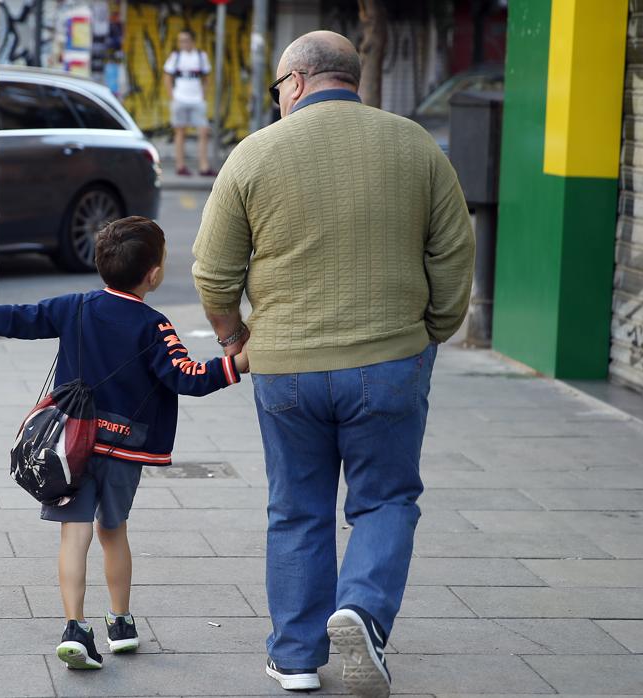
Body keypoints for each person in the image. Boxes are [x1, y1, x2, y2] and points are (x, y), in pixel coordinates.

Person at [191, 31, 474, 697]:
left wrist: (235, 338)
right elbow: (453, 257)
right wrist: (430, 330)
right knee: (384, 500)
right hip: (389, 357)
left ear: (294, 82)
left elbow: (212, 271)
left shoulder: (255, 153)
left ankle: (294, 657)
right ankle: (362, 614)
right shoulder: (415, 147)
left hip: (285, 366)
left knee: (295, 507)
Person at [0, 216, 248, 670]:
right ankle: (120, 623)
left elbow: (17, 318)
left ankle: (75, 628)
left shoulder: (75, 307)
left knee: (74, 535)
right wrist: (239, 363)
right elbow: (186, 378)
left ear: (101, 264)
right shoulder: (155, 326)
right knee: (113, 532)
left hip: (70, 449)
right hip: (126, 449)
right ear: (154, 274)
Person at [163, 30, 214, 177]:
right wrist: (173, 97)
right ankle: (180, 166)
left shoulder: (200, 56)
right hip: (180, 99)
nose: (182, 43)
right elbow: (167, 77)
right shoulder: (175, 57)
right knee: (180, 132)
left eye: (185, 40)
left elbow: (206, 78)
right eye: (180, 41)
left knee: (203, 131)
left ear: (192, 41)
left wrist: (203, 95)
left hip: (197, 100)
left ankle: (203, 167)